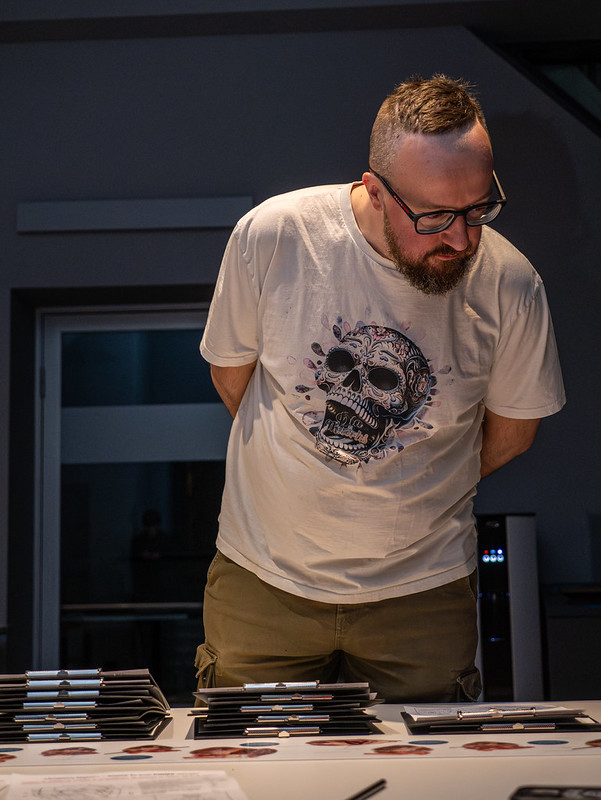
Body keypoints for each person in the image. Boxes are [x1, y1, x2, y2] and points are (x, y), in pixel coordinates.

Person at [195, 74, 565, 703]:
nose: (461, 238)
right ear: (374, 190)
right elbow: (234, 379)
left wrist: (414, 476)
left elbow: (514, 432)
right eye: (435, 215)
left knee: (431, 759)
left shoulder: (511, 284)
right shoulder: (274, 237)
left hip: (424, 589)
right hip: (264, 577)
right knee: (254, 752)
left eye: (478, 209)